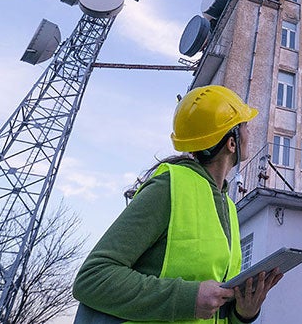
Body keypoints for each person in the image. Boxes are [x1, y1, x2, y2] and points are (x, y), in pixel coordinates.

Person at [72, 85, 282, 323]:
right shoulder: (168, 187)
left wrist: (243, 313)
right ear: (231, 144)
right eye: (244, 126)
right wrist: (187, 299)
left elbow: (213, 309)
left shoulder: (229, 207)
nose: (249, 133)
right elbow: (92, 278)